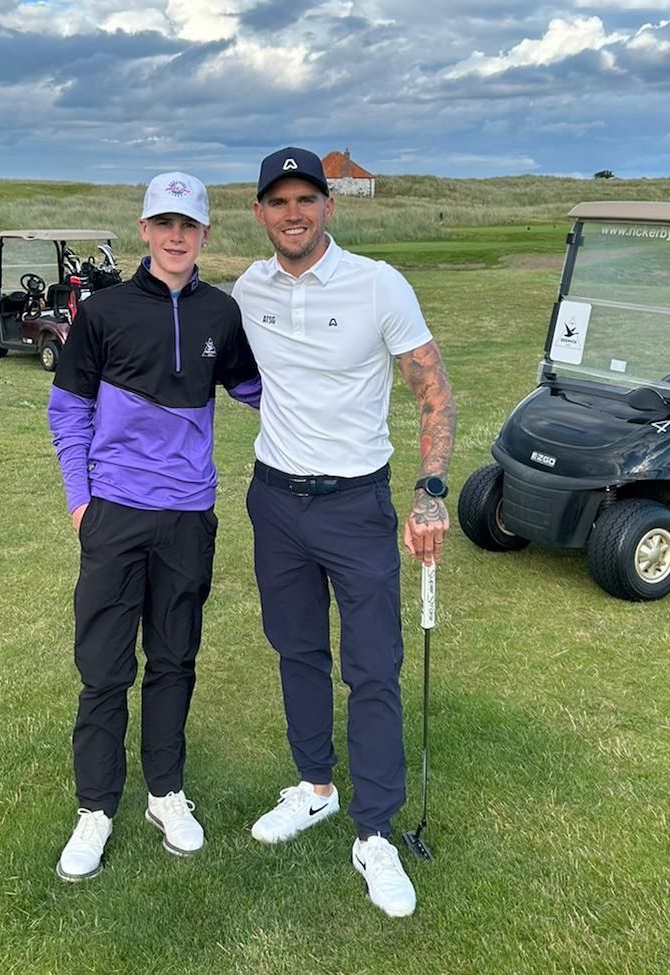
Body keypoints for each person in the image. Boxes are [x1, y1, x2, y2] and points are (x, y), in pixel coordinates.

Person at [232, 146, 455, 918]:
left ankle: (375, 829)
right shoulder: (249, 287)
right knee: (295, 649)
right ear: (259, 211)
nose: (293, 214)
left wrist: (429, 492)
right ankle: (317, 787)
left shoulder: (377, 283)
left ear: (328, 206)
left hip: (357, 506)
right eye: (278, 201)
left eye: (307, 199)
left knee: (372, 667)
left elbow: (432, 388)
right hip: (276, 502)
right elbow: (245, 375)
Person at [47, 171, 260, 882]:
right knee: (104, 667)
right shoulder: (103, 312)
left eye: (189, 224)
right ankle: (96, 808)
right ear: (144, 230)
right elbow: (67, 410)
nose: (176, 235)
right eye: (164, 222)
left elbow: (261, 392)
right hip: (113, 514)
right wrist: (82, 503)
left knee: (174, 658)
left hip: (188, 516)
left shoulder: (221, 315)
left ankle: (165, 793)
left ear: (204, 233)